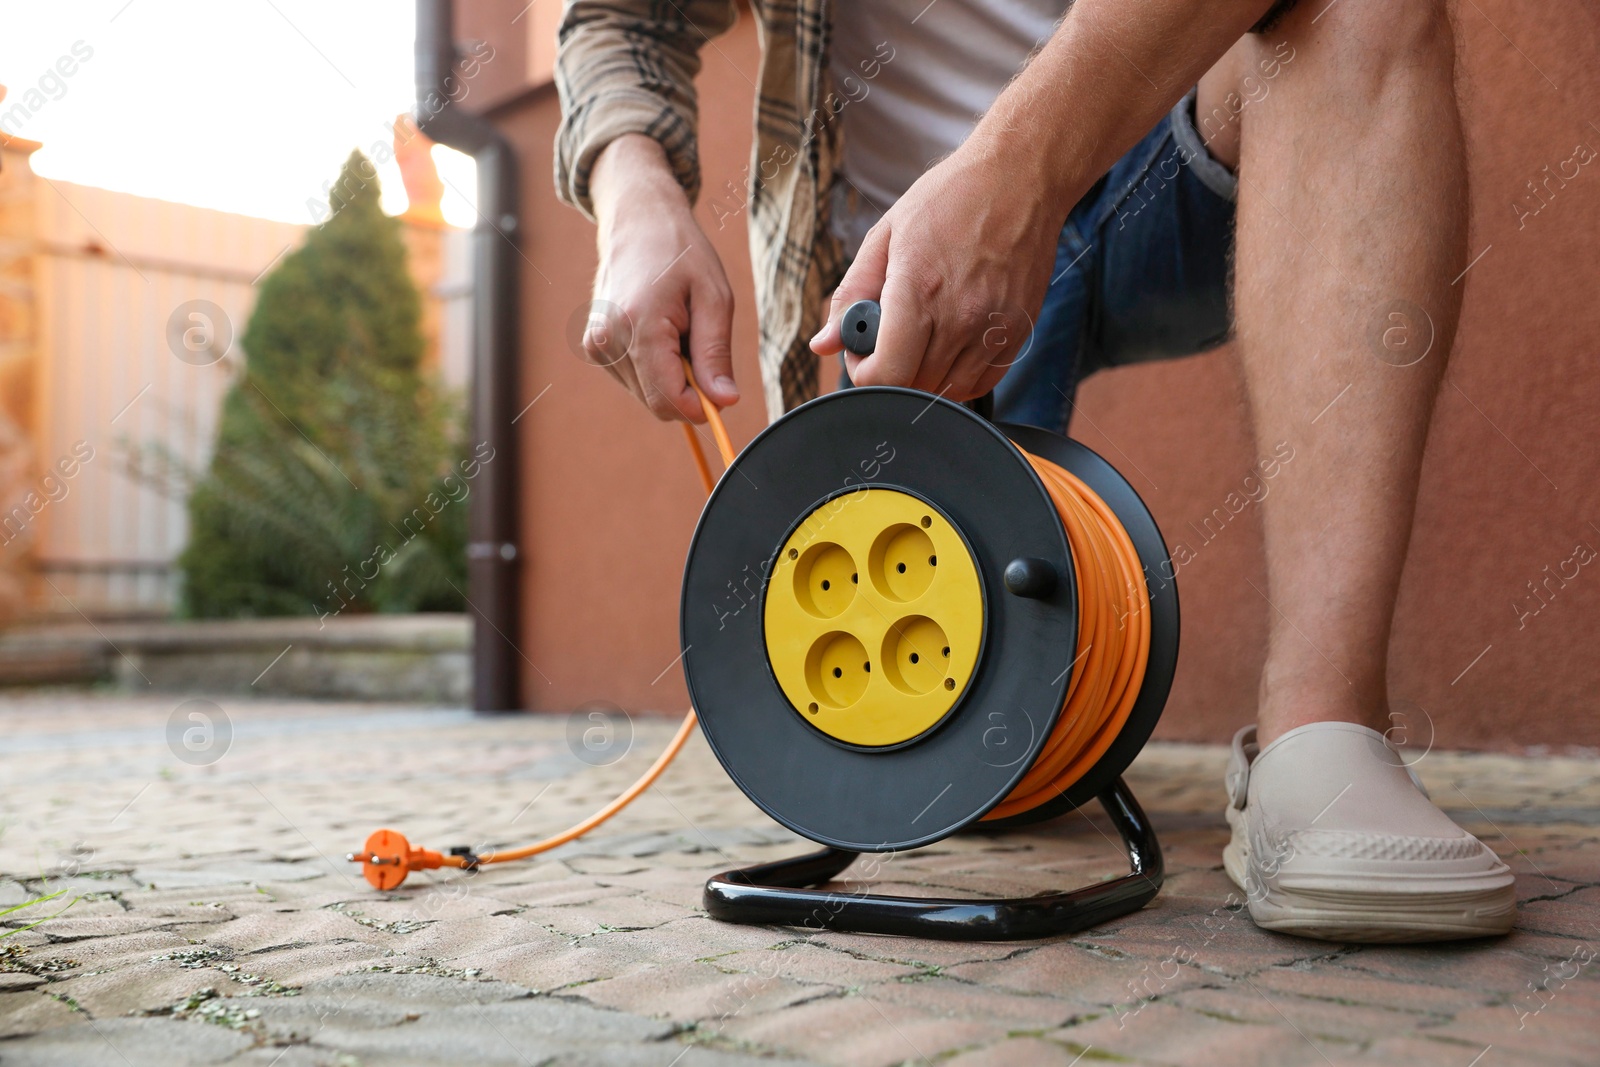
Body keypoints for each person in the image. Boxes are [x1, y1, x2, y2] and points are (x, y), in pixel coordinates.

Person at [553, 0, 1517, 942]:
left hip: (1148, 146)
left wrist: (1017, 172)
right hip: (880, 271)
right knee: (972, 741)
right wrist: (634, 198)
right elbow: (617, 20)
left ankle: (1322, 732)